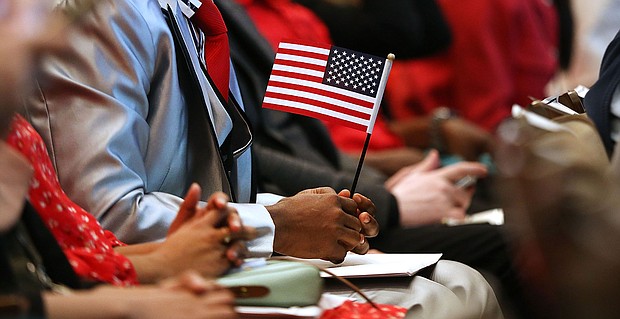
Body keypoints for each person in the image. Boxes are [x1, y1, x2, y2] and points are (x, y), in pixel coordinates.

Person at [22, 0, 506, 317]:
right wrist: (276, 224)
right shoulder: (102, 14)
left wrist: (306, 212)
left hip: (216, 240)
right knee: (444, 300)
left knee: (463, 285)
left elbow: (229, 162)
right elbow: (105, 215)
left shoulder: (186, 10)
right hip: (165, 264)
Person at [0, 1, 236, 318]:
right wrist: (154, 273)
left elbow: (47, 264)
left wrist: (169, 253)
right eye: (7, 15)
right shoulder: (114, 10)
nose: (52, 40)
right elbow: (108, 213)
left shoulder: (17, 133)